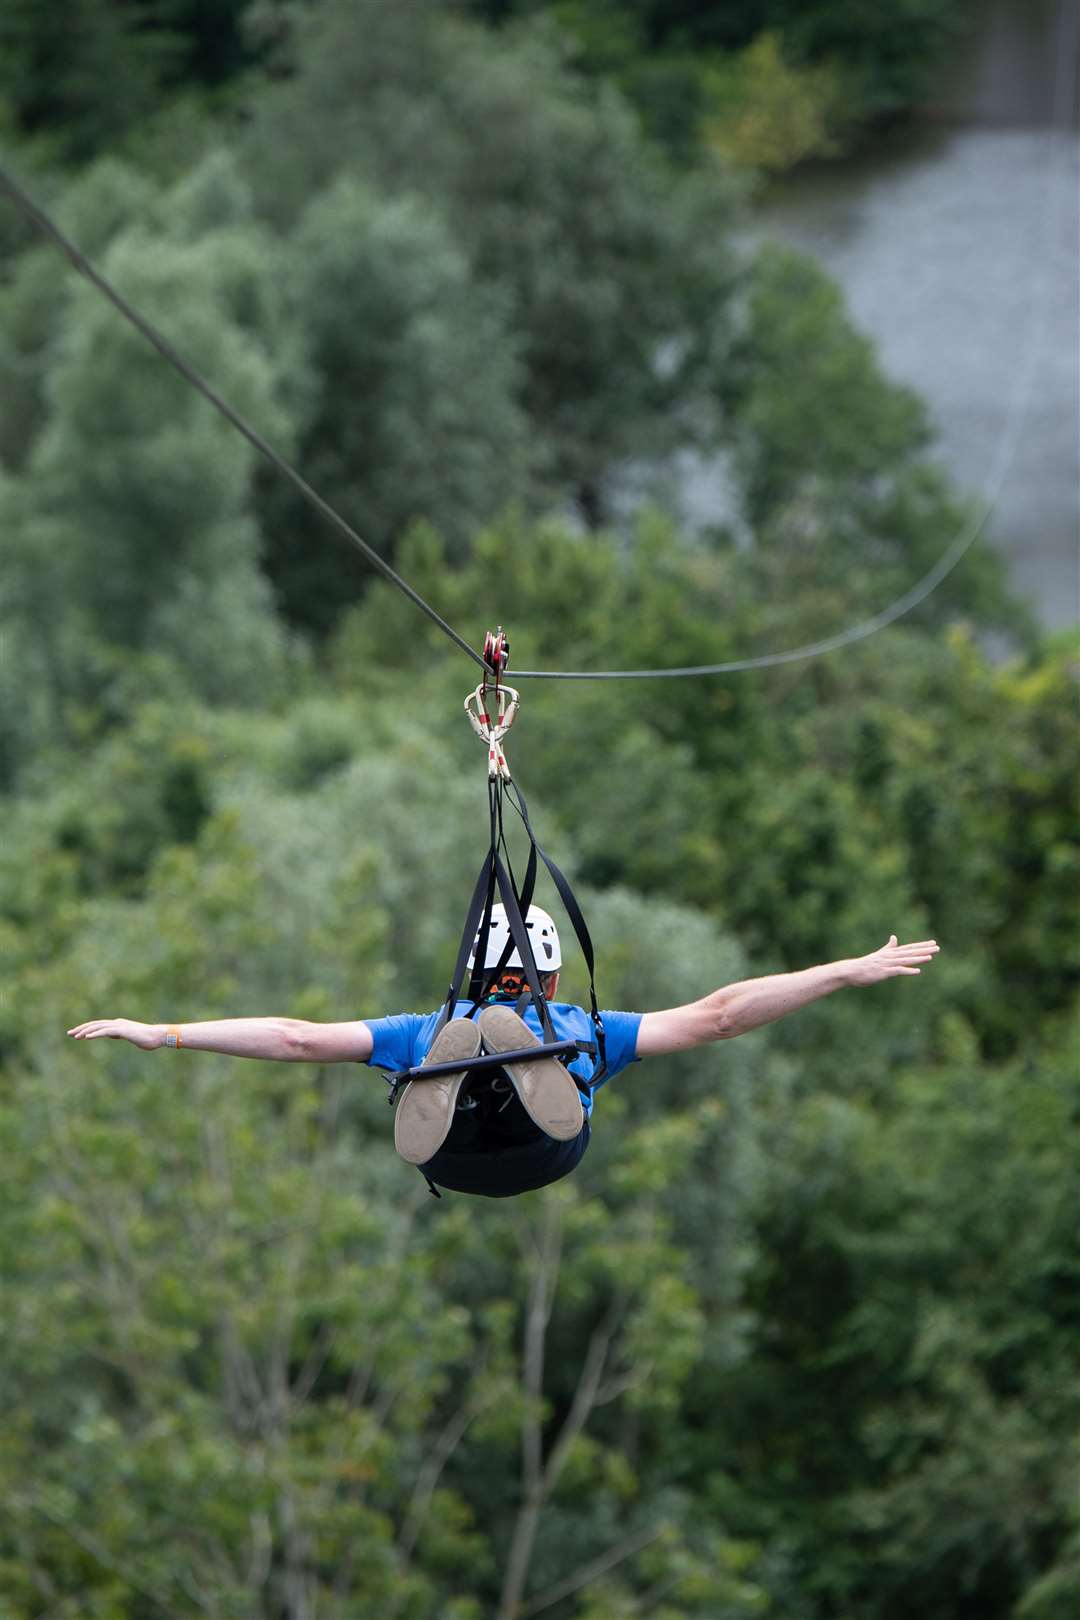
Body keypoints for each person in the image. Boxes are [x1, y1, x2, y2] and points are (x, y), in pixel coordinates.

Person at [68, 906, 940, 1198]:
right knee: (570, 1060)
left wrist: (166, 1032)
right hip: (548, 1155)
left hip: (454, 1158)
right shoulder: (594, 1030)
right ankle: (526, 1072)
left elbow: (296, 1039)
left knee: (420, 1045)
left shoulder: (417, 1028)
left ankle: (465, 1075)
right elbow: (720, 1017)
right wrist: (840, 970)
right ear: (552, 982)